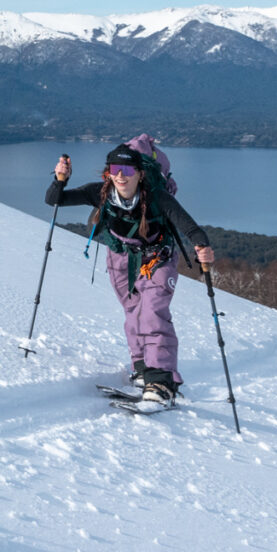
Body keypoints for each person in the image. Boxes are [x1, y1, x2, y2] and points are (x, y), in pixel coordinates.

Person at [46, 138, 217, 406]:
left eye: (127, 171)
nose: (120, 176)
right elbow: (54, 199)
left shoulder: (158, 197)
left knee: (152, 314)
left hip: (157, 258)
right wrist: (60, 178)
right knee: (134, 312)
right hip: (121, 256)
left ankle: (161, 381)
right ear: (108, 172)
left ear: (140, 173)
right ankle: (141, 369)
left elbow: (192, 228)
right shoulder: (100, 191)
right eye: (114, 169)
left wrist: (202, 247)